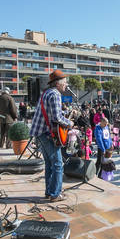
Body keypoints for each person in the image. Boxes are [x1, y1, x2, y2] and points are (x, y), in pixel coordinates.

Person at [30, 70, 74, 202]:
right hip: (46, 134)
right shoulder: (55, 94)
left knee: (49, 164)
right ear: (58, 84)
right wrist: (69, 123)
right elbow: (56, 117)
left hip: (40, 132)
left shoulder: (46, 92)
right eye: (65, 83)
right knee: (58, 164)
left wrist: (66, 111)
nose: (66, 85)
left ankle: (49, 192)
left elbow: (52, 111)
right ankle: (55, 194)